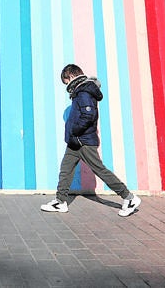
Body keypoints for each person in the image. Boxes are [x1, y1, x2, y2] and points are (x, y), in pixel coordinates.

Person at [40, 63, 140, 217]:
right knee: (65, 170)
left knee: (99, 169)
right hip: (75, 142)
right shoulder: (80, 91)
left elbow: (89, 115)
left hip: (83, 141)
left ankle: (129, 198)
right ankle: (60, 201)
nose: (66, 85)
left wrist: (74, 131)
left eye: (66, 81)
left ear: (71, 76)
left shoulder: (84, 92)